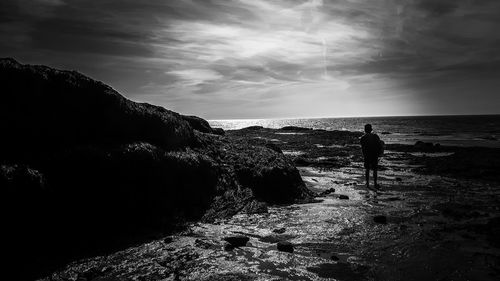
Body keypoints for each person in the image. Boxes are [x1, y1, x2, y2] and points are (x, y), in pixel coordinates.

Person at [360, 124, 382, 189]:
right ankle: (375, 183)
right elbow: (379, 145)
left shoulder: (363, 138)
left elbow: (363, 148)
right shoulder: (375, 136)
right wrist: (379, 154)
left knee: (367, 169)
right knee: (375, 170)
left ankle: (367, 184)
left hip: (367, 155)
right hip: (374, 155)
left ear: (365, 130)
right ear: (371, 129)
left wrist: (364, 155)